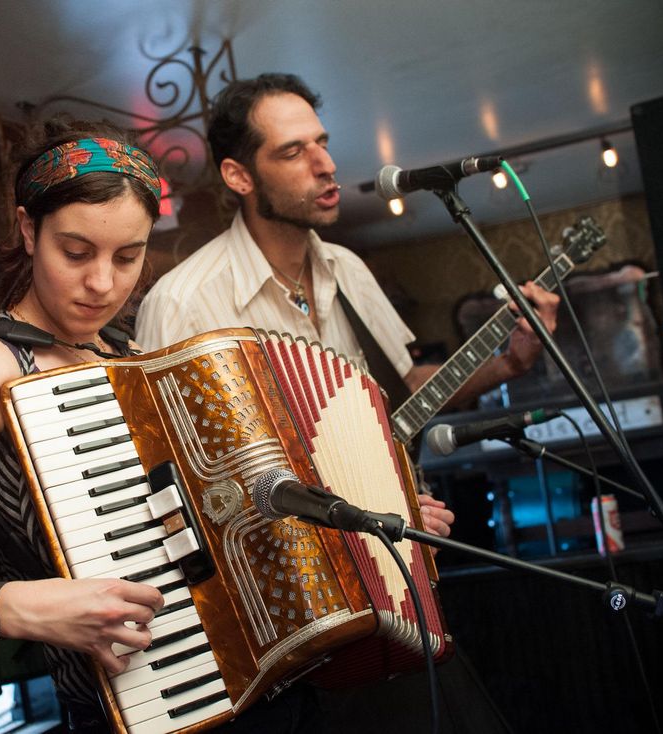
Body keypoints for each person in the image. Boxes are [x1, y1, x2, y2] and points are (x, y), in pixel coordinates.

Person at [0, 117, 337, 734]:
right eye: (75, 253)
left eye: (127, 257)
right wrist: (19, 607)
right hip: (122, 713)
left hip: (256, 692)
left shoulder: (132, 358)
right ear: (29, 229)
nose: (103, 283)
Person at [135, 73, 560, 732]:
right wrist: (371, 512)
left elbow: (405, 388)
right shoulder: (187, 303)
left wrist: (511, 360)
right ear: (239, 176)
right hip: (285, 646)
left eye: (323, 143)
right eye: (292, 152)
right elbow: (190, 497)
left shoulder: (348, 271)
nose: (326, 164)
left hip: (388, 599)